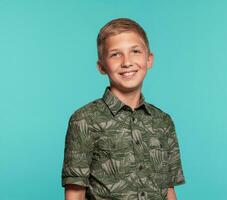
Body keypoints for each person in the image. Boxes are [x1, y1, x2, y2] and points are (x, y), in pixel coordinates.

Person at [61, 18, 185, 200]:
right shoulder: (85, 120)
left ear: (149, 59)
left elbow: (169, 190)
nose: (127, 62)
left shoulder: (163, 122)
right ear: (101, 66)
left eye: (135, 51)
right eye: (115, 54)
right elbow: (75, 194)